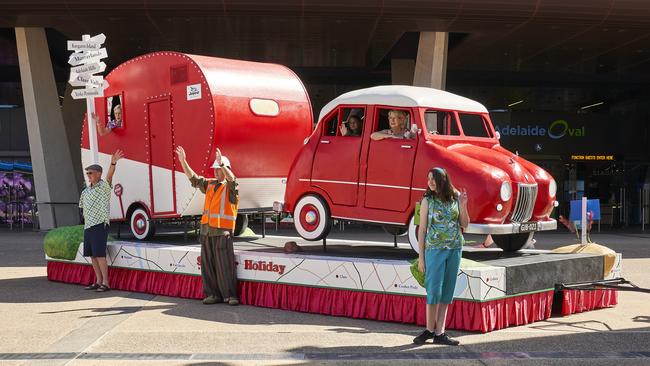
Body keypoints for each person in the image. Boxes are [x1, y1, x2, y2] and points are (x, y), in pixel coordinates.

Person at [175, 146, 240, 306]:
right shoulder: (210, 184)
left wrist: (223, 165)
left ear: (226, 169)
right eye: (216, 169)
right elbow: (194, 179)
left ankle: (230, 296)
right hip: (206, 232)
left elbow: (232, 179)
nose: (216, 172)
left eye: (219, 169)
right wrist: (183, 162)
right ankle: (213, 294)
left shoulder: (230, 187)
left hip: (222, 233)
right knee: (208, 266)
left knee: (224, 265)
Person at [413, 167, 469, 346]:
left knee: (446, 292)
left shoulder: (455, 197)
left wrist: (463, 205)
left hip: (454, 249)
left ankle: (440, 333)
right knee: (433, 291)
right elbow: (422, 230)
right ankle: (429, 330)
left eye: (433, 178)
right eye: (428, 178)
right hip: (434, 250)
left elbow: (465, 225)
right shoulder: (427, 200)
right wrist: (421, 257)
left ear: (443, 180)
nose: (430, 182)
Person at [79, 149, 124, 292]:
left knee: (99, 254)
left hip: (99, 224)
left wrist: (113, 162)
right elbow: (82, 207)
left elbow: (109, 177)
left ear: (98, 174)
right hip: (88, 226)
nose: (88, 176)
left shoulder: (103, 187)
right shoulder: (85, 191)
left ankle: (106, 282)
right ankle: (98, 281)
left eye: (90, 173)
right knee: (92, 255)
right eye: (87, 173)